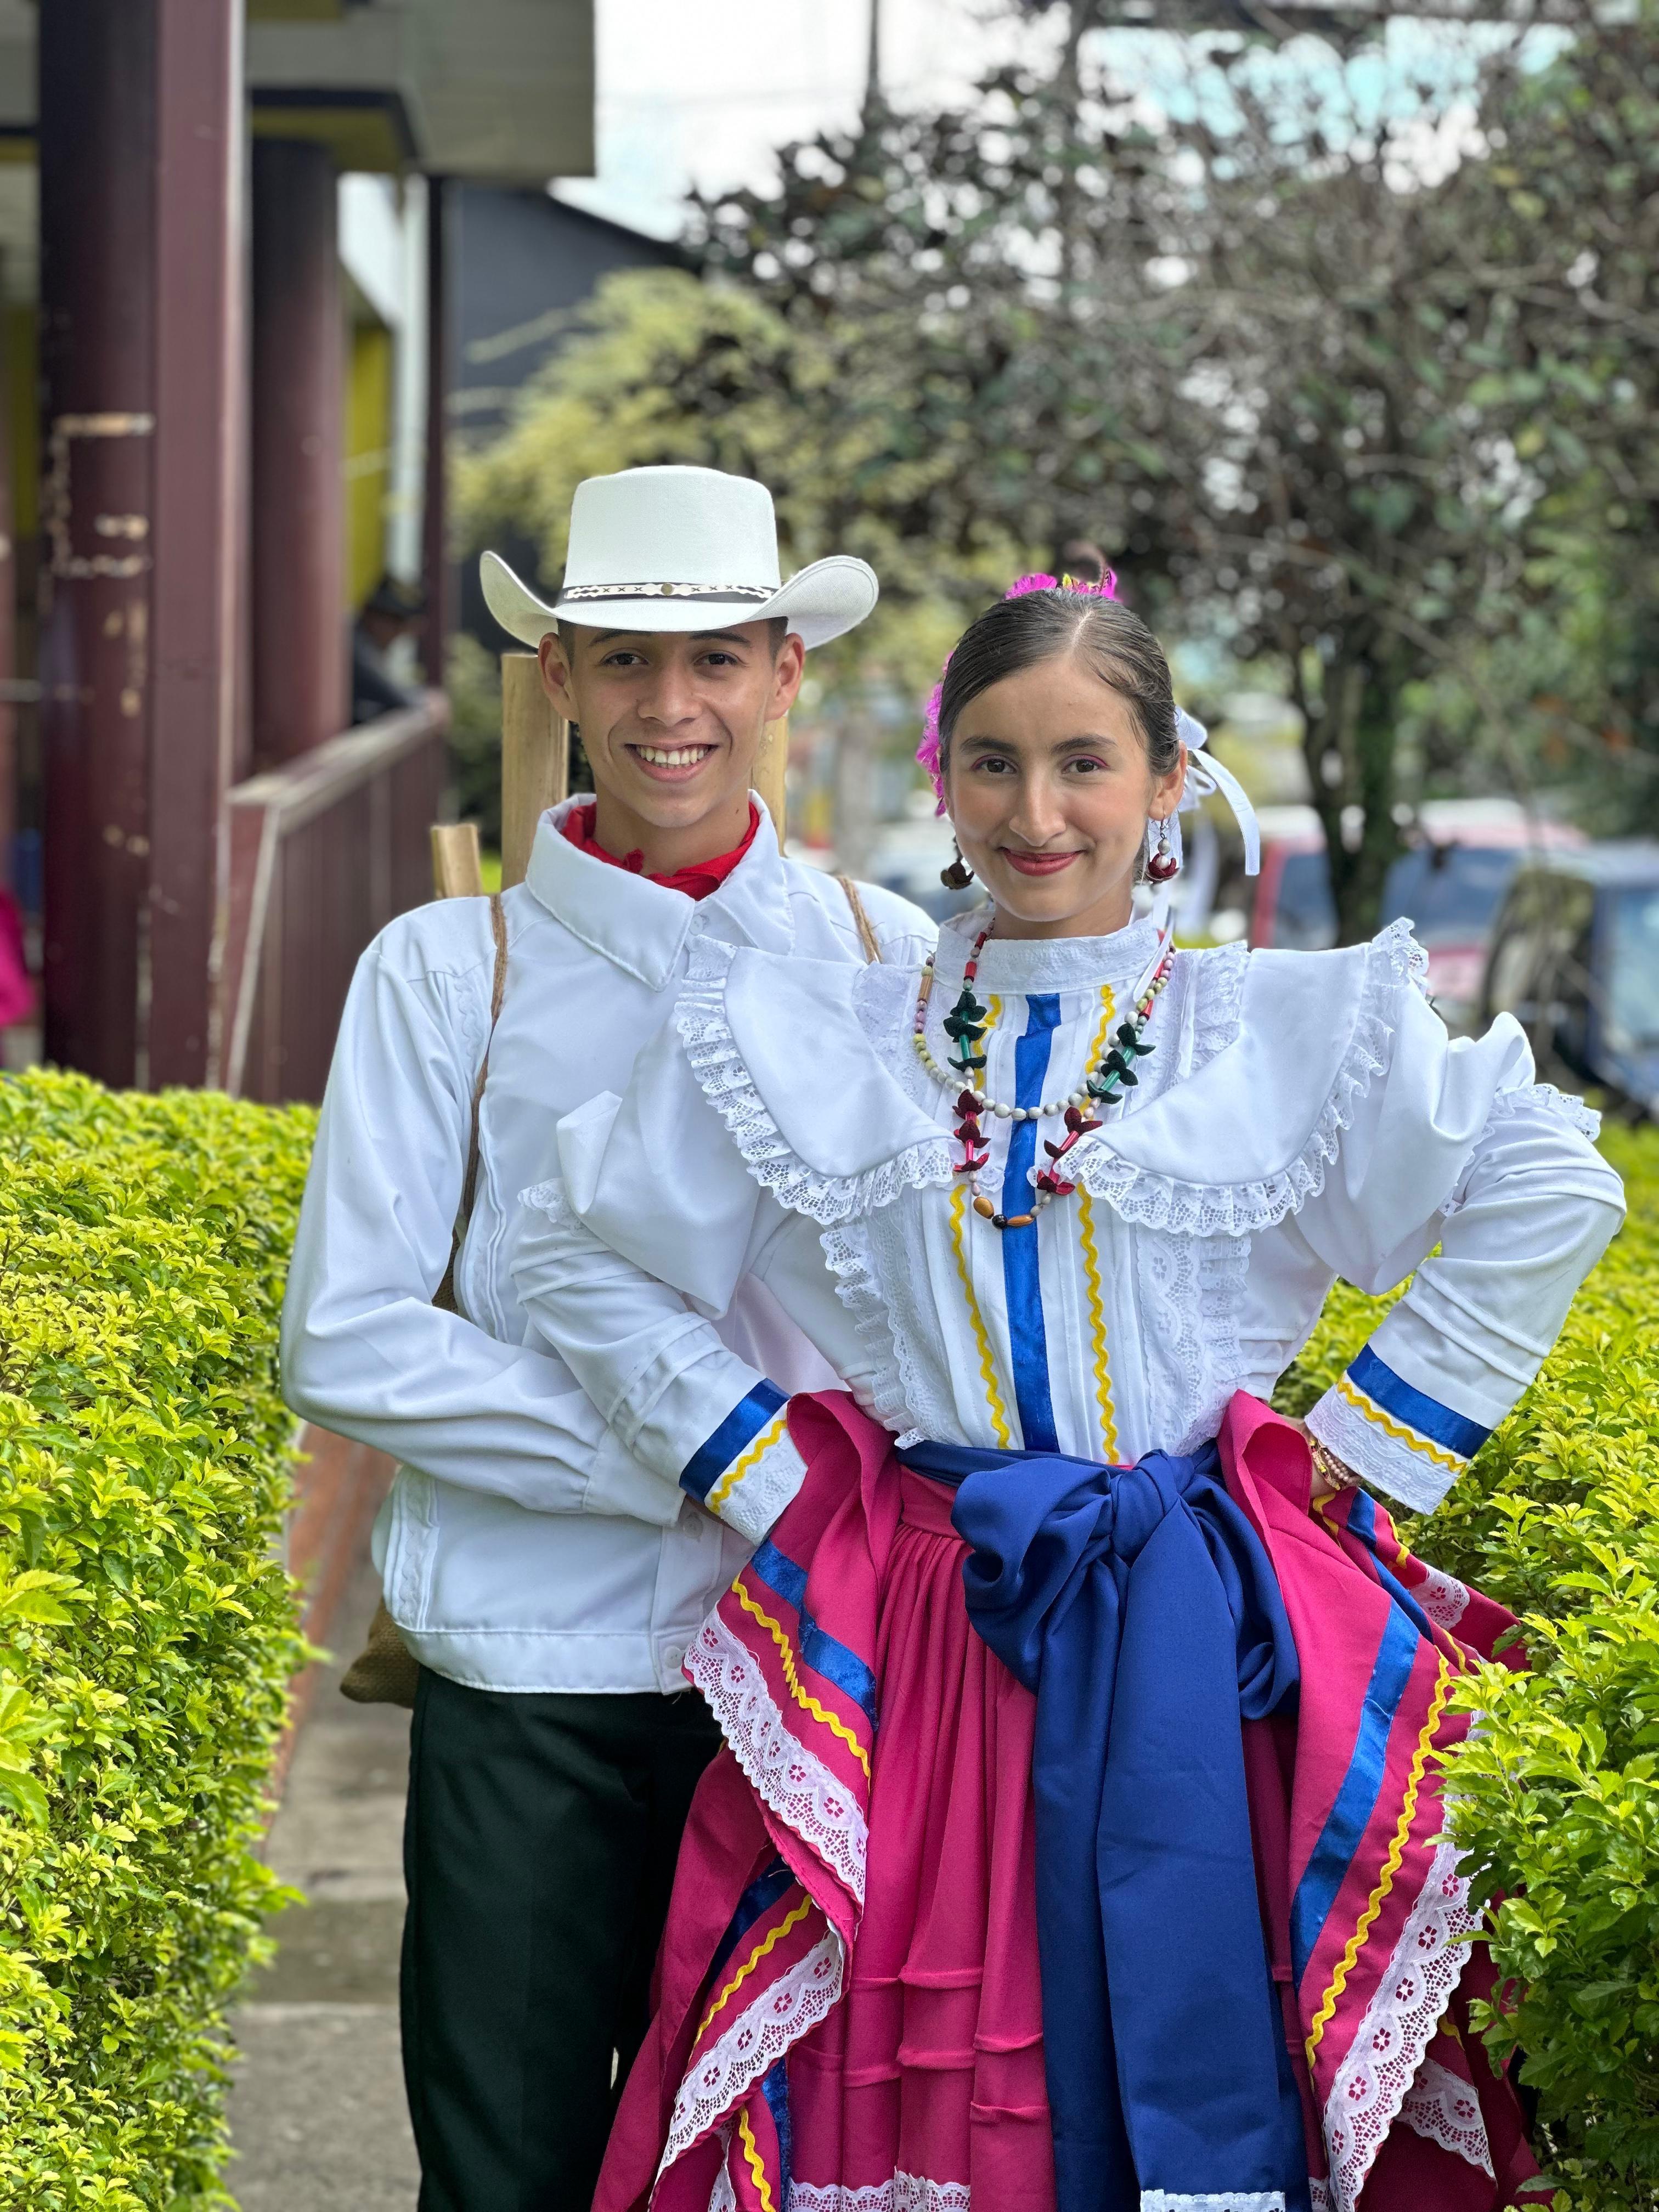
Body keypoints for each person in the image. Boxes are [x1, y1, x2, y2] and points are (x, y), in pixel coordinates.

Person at [511, 572, 1626, 2211]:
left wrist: (1352, 1465)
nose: (1036, 814)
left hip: (1202, 1638)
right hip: (923, 1633)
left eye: (1086, 763)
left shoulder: (1277, 1028)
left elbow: (1548, 1182)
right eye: (992, 763)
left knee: (1195, 2040)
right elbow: (570, 1245)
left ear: (1170, 778)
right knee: (928, 2083)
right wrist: (775, 1475)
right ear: (942, 777)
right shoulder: (824, 1028)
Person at [280, 465, 935, 2212]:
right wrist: (686, 1464)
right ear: (556, 675)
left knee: (790, 2169)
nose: (672, 709)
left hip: (816, 1682)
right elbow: (344, 1340)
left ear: (785, 674)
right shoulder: (446, 972)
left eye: (716, 659)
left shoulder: (894, 956)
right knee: (508, 2177)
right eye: (627, 663)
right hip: (529, 1679)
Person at [351, 573, 426, 724]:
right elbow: (402, 699)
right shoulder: (354, 645)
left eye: (402, 623)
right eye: (392, 620)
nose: (397, 631)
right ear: (369, 612)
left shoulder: (366, 646)